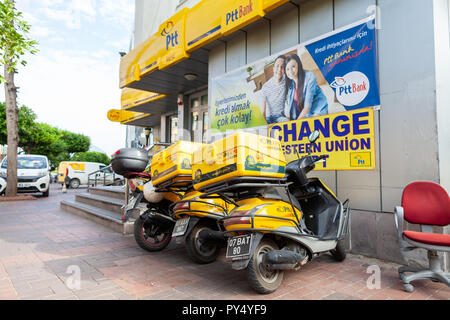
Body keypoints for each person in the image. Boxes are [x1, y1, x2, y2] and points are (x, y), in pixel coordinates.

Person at [285, 54, 328, 120]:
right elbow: (292, 107)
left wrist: (297, 123)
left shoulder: (309, 76)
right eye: (287, 69)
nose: (290, 71)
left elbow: (307, 106)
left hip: (318, 111)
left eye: (293, 67)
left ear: (298, 65)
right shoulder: (290, 83)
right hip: (305, 113)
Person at [261, 55, 290, 124]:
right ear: (273, 68)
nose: (279, 69)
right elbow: (263, 112)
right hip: (268, 118)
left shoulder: (287, 80)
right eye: (277, 66)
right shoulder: (265, 87)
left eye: (282, 67)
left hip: (280, 117)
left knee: (288, 124)